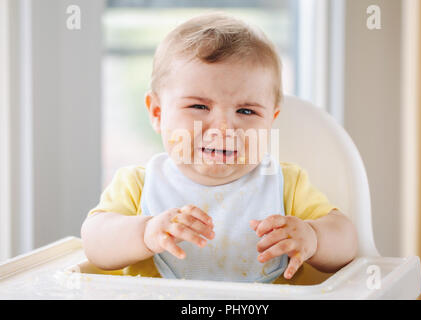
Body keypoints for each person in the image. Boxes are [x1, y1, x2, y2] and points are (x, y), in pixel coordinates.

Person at [81, 12, 358, 283]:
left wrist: (314, 237)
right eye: (199, 107)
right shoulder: (138, 185)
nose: (224, 128)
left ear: (270, 121)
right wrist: (145, 233)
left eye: (246, 111)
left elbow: (347, 240)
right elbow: (94, 243)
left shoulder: (286, 185)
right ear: (157, 112)